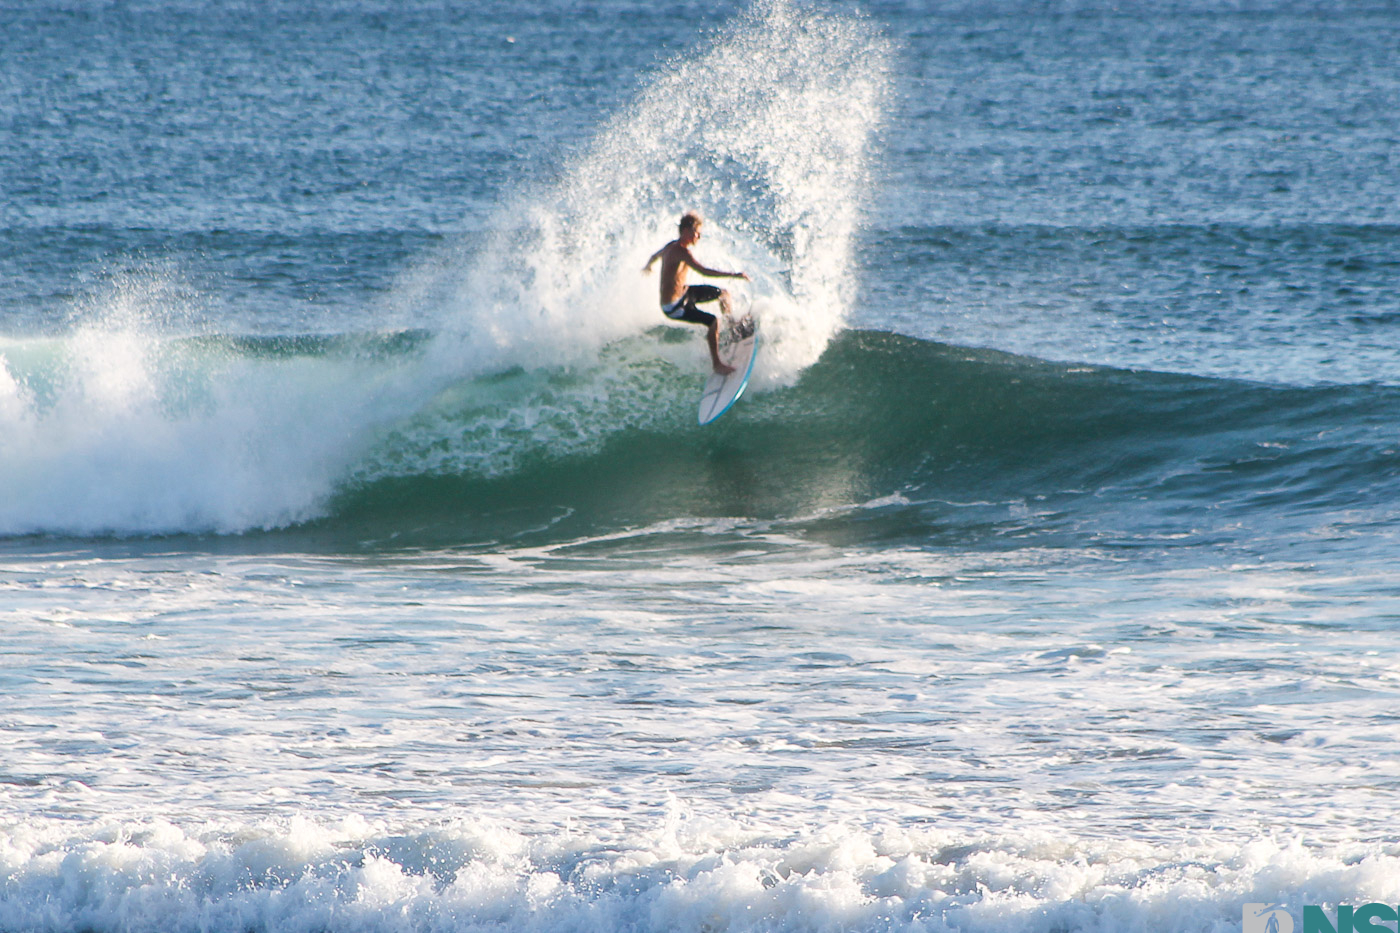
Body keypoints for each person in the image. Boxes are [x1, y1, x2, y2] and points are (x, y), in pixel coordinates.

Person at [642, 212, 749, 374]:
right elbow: (704, 271)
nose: (699, 236)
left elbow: (653, 256)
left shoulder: (670, 246)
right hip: (674, 306)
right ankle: (717, 365)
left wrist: (648, 266)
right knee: (713, 321)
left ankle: (732, 328)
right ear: (687, 231)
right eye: (697, 232)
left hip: (684, 294)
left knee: (724, 294)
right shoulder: (682, 252)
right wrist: (734, 275)